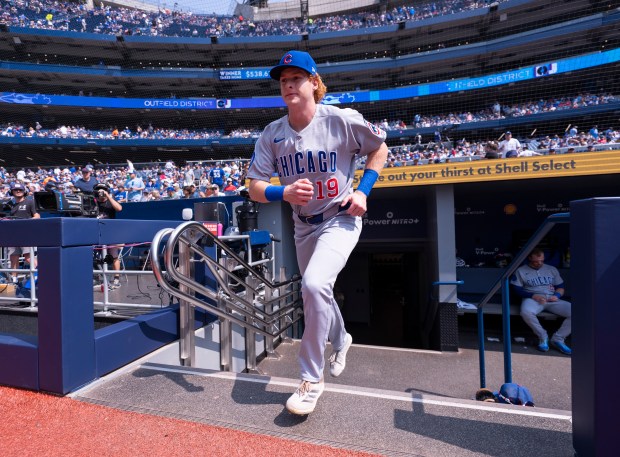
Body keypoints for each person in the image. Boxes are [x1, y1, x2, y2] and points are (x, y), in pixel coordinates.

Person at [247, 50, 388, 415]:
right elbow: (254, 186)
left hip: (339, 216)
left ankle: (311, 379)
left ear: (314, 83)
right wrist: (283, 192)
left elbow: (380, 148)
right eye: (283, 80)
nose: (289, 84)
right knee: (317, 287)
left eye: (296, 78)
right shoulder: (273, 133)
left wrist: (363, 190)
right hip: (302, 224)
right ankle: (341, 338)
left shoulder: (340, 120)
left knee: (312, 285)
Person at [510, 248, 572, 355]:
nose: (539, 263)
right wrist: (533, 295)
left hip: (552, 299)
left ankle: (558, 339)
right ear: (529, 258)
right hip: (532, 299)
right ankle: (543, 336)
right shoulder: (521, 270)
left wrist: (557, 296)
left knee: (577, 312)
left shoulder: (551, 269)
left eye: (542, 260)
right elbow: (517, 290)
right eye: (536, 261)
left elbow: (560, 287)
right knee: (526, 312)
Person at [7, 182, 40, 283]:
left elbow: (37, 216)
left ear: (24, 191)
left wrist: (27, 222)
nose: (18, 191)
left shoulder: (30, 202)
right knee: (13, 257)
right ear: (12, 191)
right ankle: (14, 280)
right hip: (13, 234)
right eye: (15, 190)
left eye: (20, 190)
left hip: (26, 233)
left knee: (28, 257)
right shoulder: (10, 205)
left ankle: (39, 274)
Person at [94, 183, 123, 289]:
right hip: (96, 233)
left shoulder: (111, 201)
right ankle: (97, 277)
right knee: (91, 255)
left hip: (110, 233)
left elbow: (119, 208)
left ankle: (116, 279)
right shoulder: (93, 202)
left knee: (114, 255)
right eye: (98, 190)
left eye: (102, 190)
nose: (100, 192)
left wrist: (108, 196)